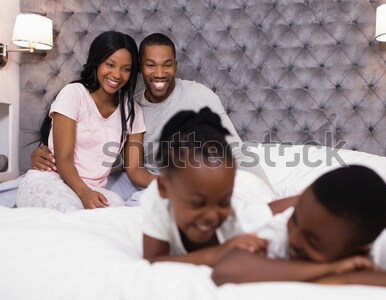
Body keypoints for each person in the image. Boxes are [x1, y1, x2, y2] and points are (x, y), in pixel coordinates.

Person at [30, 32, 271, 203]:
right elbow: (101, 158)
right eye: (150, 65)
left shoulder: (195, 97)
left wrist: (268, 194)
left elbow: (236, 152)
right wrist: (45, 151)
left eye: (167, 65)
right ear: (141, 68)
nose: (159, 73)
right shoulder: (128, 105)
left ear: (175, 66)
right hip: (97, 185)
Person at [211, 166, 386, 298]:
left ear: (361, 249)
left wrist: (346, 279)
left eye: (314, 241)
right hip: (280, 209)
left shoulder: (376, 244)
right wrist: (329, 270)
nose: (294, 240)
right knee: (276, 210)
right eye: (295, 223)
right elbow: (227, 269)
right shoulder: (285, 228)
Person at [15, 31, 147, 212]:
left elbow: (135, 170)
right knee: (72, 217)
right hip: (55, 181)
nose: (117, 74)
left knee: (117, 214)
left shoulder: (132, 111)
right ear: (97, 62)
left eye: (126, 68)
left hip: (96, 190)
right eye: (110, 64)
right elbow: (64, 159)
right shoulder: (74, 94)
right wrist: (84, 193)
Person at [141, 107, 278, 266]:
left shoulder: (241, 219)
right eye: (197, 203)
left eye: (223, 203)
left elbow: (276, 208)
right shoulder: (156, 200)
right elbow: (153, 261)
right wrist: (219, 252)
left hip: (249, 189)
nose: (212, 216)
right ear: (163, 189)